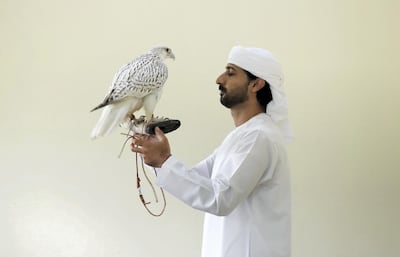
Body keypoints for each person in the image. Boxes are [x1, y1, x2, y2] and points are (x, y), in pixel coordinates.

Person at [131, 46, 293, 257]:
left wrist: (163, 159)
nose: (219, 79)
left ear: (256, 84)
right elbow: (198, 180)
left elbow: (220, 199)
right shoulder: (240, 137)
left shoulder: (258, 137)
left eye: (231, 72)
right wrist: (155, 156)